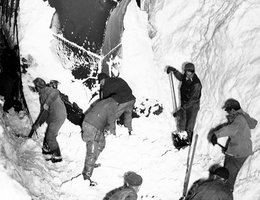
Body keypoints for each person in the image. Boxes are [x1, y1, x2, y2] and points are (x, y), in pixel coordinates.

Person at [208, 98, 258, 191]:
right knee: (227, 175)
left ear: (233, 110)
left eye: (228, 110)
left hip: (237, 153)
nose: (227, 112)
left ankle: (226, 193)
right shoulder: (242, 116)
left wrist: (216, 135)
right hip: (242, 150)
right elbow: (253, 124)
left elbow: (231, 129)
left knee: (228, 178)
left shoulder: (239, 119)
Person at [81, 97, 118, 184]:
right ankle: (86, 177)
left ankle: (92, 163)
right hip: (92, 126)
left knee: (101, 143)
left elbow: (100, 114)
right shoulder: (112, 104)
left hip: (89, 122)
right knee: (92, 152)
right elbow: (111, 120)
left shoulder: (105, 101)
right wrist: (113, 132)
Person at [31, 77, 67, 163]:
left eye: (36, 87)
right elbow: (44, 113)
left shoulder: (49, 90)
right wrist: (38, 124)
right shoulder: (42, 96)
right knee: (48, 134)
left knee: (50, 136)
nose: (36, 89)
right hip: (53, 116)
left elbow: (55, 92)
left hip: (58, 116)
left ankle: (57, 156)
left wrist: (47, 102)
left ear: (38, 87)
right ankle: (47, 152)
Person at [166, 62, 202, 145]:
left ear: (193, 71)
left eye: (190, 72)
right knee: (182, 122)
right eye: (186, 72)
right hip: (184, 104)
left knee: (189, 125)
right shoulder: (186, 77)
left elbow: (192, 100)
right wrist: (174, 71)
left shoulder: (196, 84)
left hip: (192, 106)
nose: (187, 74)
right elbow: (181, 77)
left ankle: (188, 143)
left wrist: (181, 110)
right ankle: (181, 142)